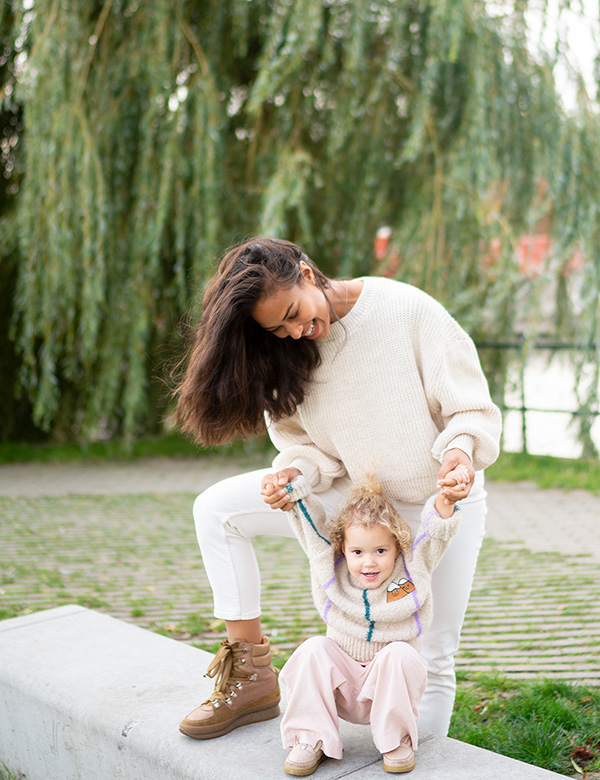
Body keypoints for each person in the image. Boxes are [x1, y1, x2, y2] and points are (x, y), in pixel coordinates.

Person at [175, 236, 502, 741]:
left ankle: (415, 760)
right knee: (216, 509)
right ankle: (252, 675)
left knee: (431, 655)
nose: (293, 330)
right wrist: (294, 475)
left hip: (437, 502)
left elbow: (471, 410)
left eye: (292, 312)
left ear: (306, 273)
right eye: (277, 327)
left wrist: (460, 452)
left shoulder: (406, 311)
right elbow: (308, 449)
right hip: (357, 501)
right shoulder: (287, 354)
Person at [279, 467, 467, 775]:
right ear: (343, 549)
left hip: (388, 685)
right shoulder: (333, 570)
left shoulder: (411, 572)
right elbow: (311, 531)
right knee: (312, 648)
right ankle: (311, 738)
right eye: (358, 551)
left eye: (380, 550)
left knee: (400, 652)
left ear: (397, 547)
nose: (369, 561)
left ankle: (396, 741)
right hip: (341, 685)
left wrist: (446, 500)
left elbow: (434, 538)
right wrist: (293, 491)